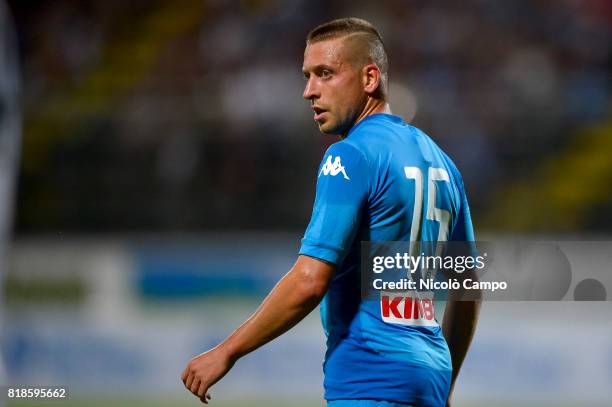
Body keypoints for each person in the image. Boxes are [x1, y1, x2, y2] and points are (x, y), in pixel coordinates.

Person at [182, 18, 480, 407]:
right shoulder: (442, 163)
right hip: (429, 377)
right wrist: (445, 383)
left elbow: (309, 280)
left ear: (369, 77)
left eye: (325, 74)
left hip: (369, 376)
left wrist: (227, 351)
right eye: (307, 76)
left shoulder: (350, 155)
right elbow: (467, 289)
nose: (309, 91)